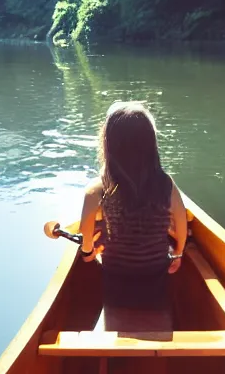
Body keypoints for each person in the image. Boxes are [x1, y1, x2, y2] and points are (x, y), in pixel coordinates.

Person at [79, 101, 188, 331]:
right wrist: (177, 255)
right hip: (155, 271)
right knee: (157, 297)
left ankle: (115, 329)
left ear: (108, 144)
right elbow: (181, 224)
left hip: (116, 274)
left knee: (114, 297)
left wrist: (88, 253)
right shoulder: (166, 184)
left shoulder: (98, 188)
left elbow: (85, 233)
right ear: (151, 145)